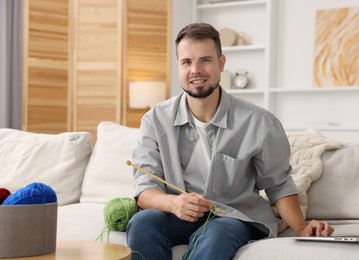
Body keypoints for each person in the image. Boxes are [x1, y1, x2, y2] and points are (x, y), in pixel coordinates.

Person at [126, 23, 334, 259]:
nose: (195, 70)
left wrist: (301, 228)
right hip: (177, 216)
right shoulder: (155, 120)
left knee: (216, 233)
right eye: (186, 62)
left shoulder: (260, 122)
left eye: (205, 60)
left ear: (221, 63)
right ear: (178, 67)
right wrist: (173, 204)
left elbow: (278, 184)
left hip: (234, 218)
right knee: (142, 222)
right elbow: (144, 188)